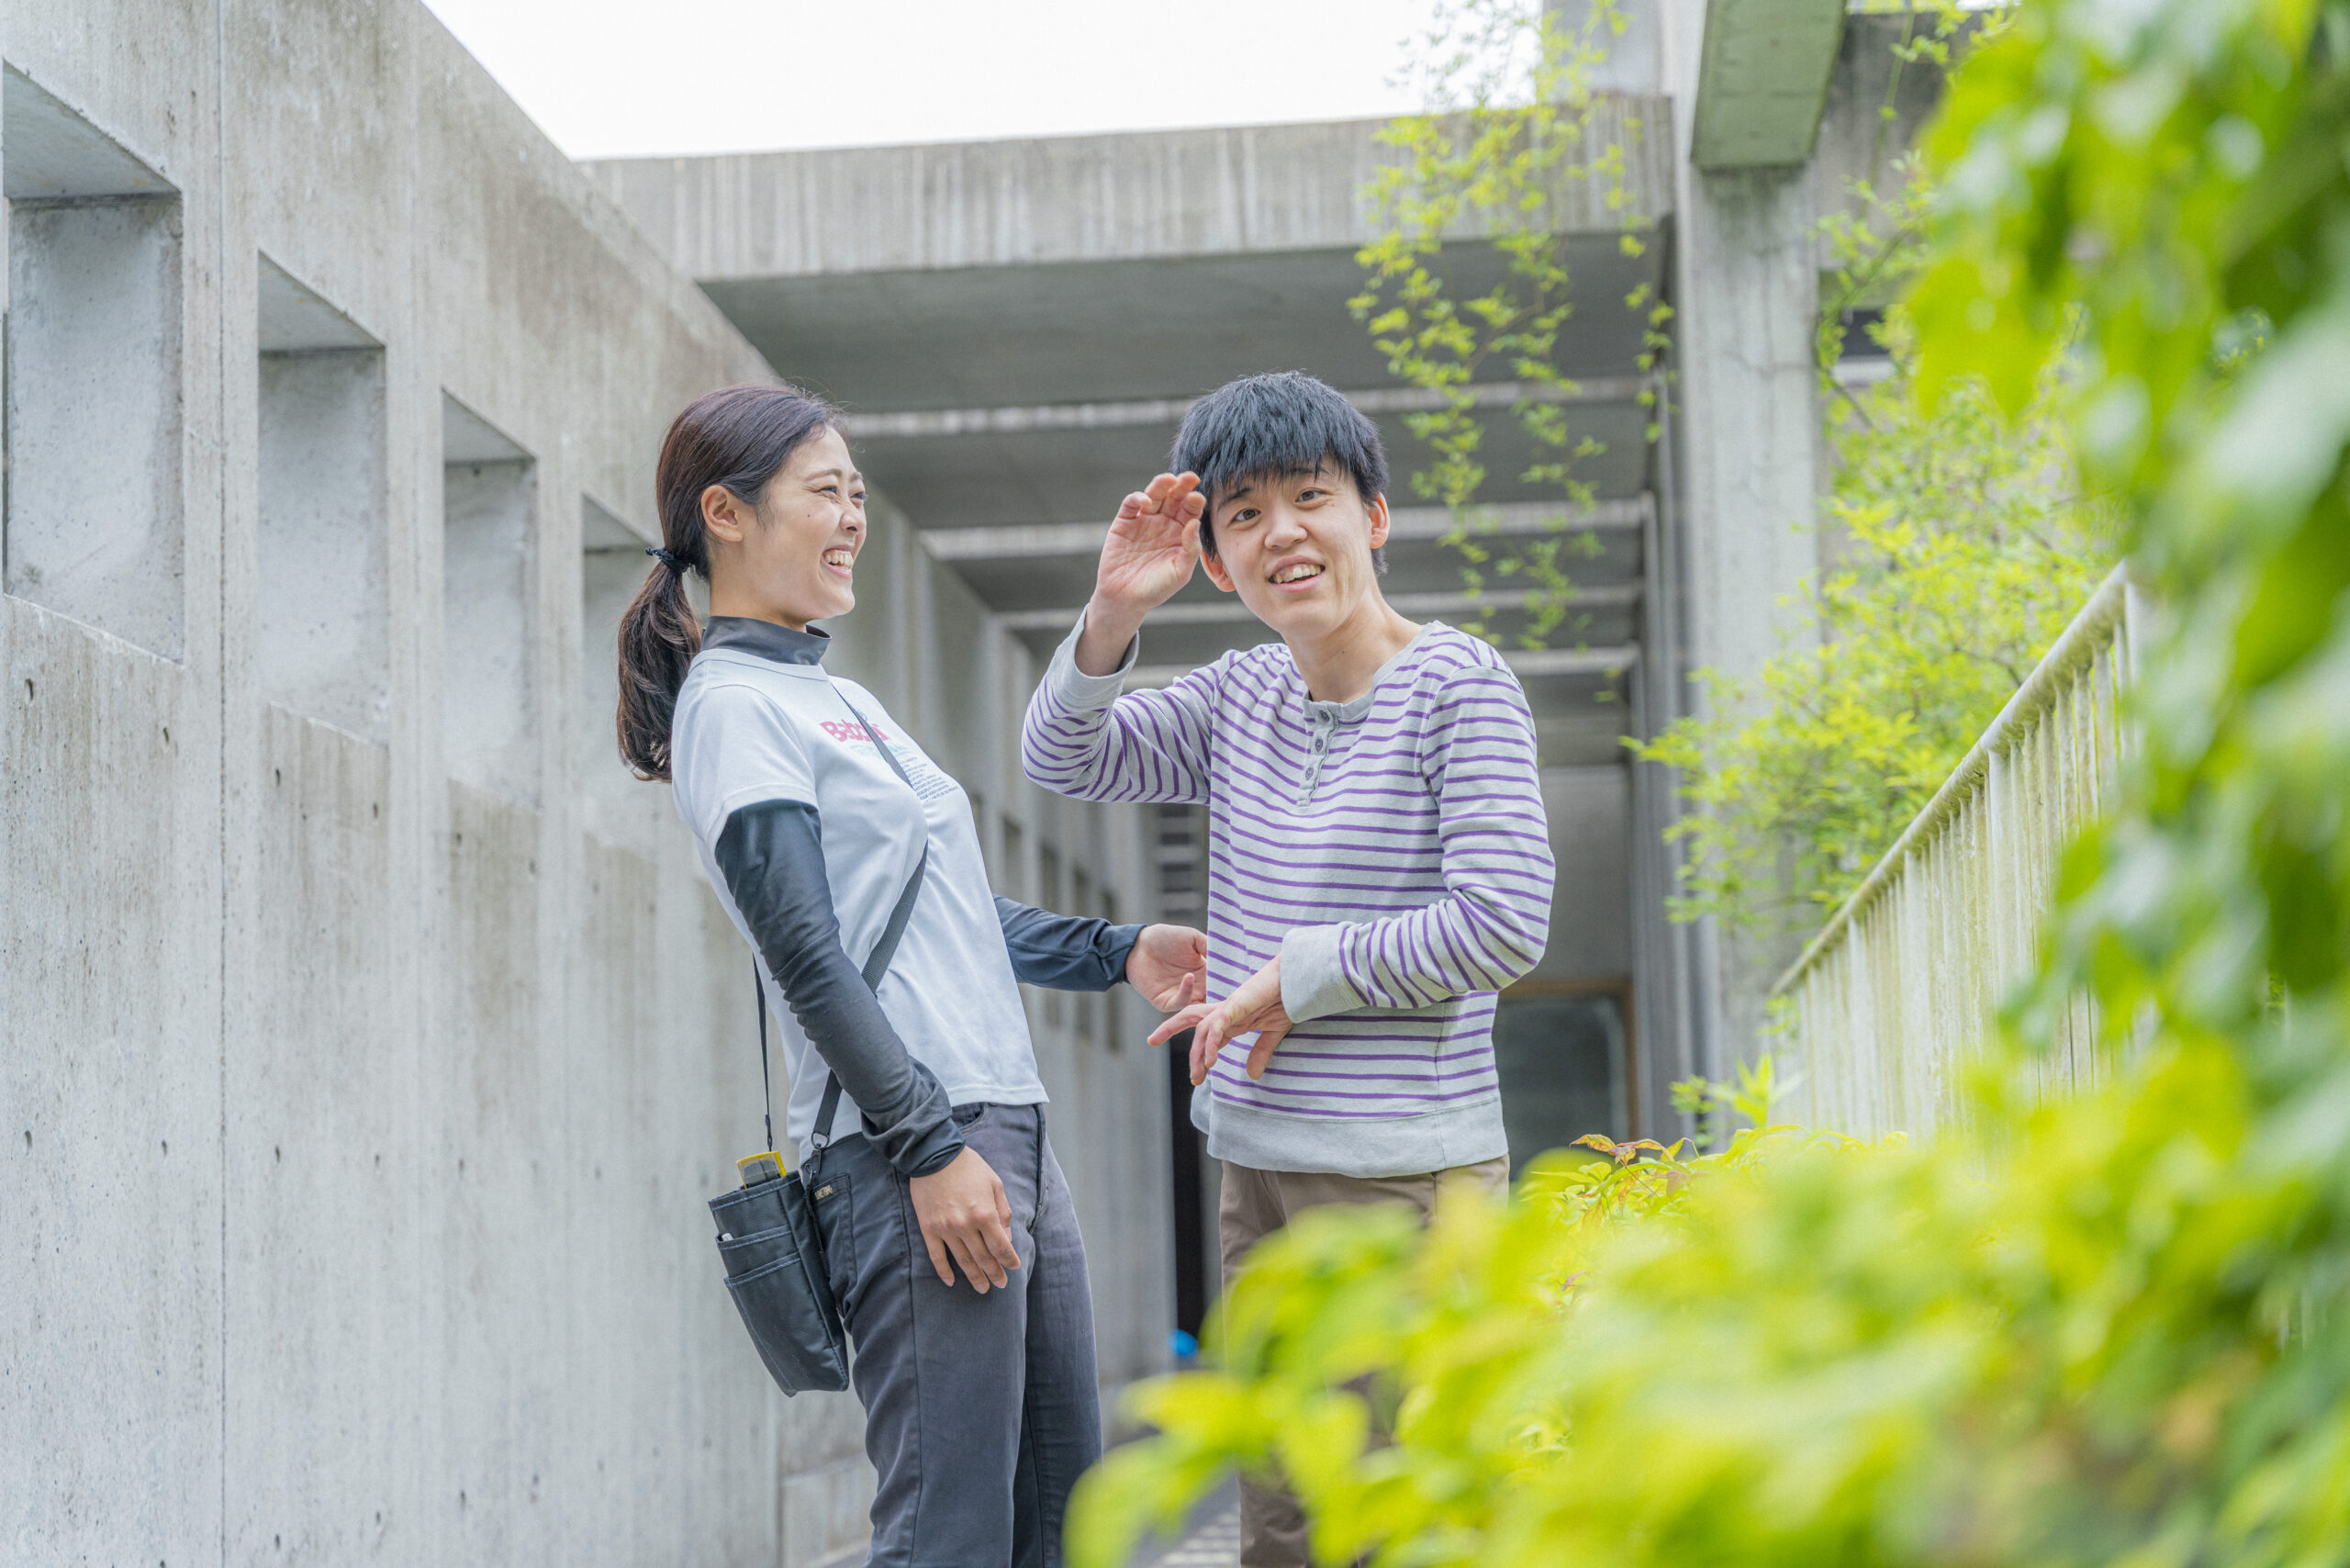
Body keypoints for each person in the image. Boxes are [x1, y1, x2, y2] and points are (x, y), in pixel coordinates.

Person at [616, 384, 1207, 1568]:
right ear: (725, 515)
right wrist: (930, 1150)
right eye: (825, 492)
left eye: (858, 495)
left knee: (1058, 1515)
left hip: (1007, 1130)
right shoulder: (733, 708)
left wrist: (1114, 950)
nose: (852, 519)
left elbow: (941, 915)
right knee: (949, 1528)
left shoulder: (839, 700)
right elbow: (805, 949)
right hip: (909, 1150)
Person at [1019, 371, 1555, 1567]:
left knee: (1393, 1513)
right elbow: (1065, 757)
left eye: (1310, 497)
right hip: (1255, 1169)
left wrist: (1289, 979)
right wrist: (1109, 616)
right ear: (1215, 558)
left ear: (1372, 515)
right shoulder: (1239, 696)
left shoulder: (1456, 688)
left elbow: (1505, 925)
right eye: (1245, 514)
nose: (1282, 534)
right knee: (1281, 1519)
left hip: (1403, 1187)